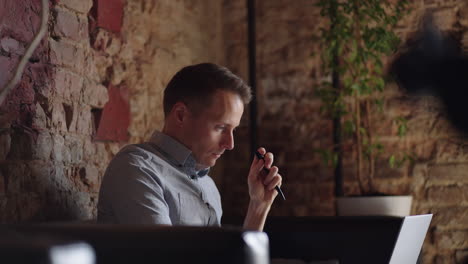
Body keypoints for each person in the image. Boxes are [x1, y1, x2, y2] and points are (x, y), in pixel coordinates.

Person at [97, 63, 282, 231]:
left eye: (233, 130)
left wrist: (259, 206)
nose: (230, 144)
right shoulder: (136, 169)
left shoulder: (208, 186)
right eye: (221, 128)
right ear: (180, 115)